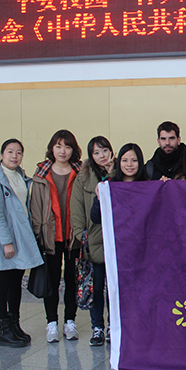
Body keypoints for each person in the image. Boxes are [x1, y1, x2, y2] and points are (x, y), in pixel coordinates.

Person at [0, 139, 42, 347]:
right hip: (5, 239)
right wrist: (6, 242)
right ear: (2, 155)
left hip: (21, 238)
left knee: (16, 283)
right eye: (10, 152)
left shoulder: (20, 176)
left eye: (18, 152)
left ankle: (15, 325)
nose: (14, 156)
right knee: (2, 283)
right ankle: (4, 329)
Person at [30, 129, 82, 344]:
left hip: (73, 236)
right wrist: (38, 234)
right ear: (52, 148)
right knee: (50, 281)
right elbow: (35, 207)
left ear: (73, 150)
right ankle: (51, 322)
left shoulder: (80, 172)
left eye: (67, 147)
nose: (63, 151)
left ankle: (70, 321)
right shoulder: (42, 174)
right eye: (59, 146)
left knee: (72, 280)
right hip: (50, 236)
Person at [71, 136, 115, 347]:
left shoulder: (120, 173)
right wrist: (82, 236)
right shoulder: (83, 178)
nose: (101, 156)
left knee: (114, 287)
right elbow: (76, 209)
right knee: (96, 287)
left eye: (104, 150)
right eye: (96, 153)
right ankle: (97, 327)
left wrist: (113, 173)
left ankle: (113, 326)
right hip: (93, 241)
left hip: (115, 240)